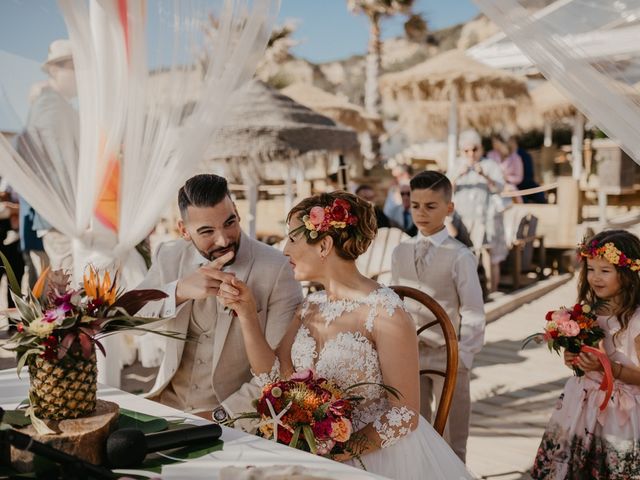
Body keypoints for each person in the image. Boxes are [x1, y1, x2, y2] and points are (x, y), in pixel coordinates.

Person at [216, 191, 474, 479]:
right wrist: (247, 314)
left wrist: (333, 454)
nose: (284, 250)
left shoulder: (386, 312)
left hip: (375, 454)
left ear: (324, 245)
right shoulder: (310, 305)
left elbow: (404, 415)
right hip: (312, 448)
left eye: (291, 239)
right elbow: (275, 378)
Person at [137, 174, 303, 423]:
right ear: (184, 230)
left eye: (230, 223)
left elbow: (279, 370)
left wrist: (221, 415)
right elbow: (127, 321)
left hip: (229, 417)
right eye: (207, 231)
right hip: (165, 405)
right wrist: (179, 291)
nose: (224, 239)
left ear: (236, 211)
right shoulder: (169, 256)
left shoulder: (277, 269)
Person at [391, 171, 485, 463]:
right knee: (414, 427)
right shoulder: (400, 251)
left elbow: (472, 311)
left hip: (449, 354)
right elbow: (397, 302)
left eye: (431, 206)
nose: (421, 212)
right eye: (416, 205)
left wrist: (463, 357)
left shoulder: (460, 256)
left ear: (449, 209)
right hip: (411, 355)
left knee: (453, 433)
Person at [531, 229, 640, 479]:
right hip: (581, 404)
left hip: (621, 415)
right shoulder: (587, 313)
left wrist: (606, 367)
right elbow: (585, 355)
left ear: (628, 273)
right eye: (591, 269)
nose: (595, 278)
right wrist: (575, 361)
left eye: (605, 271)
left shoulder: (636, 322)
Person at [15, 39, 78, 272]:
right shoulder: (50, 105)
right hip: (62, 214)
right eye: (73, 68)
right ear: (54, 70)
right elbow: (53, 163)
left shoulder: (57, 104)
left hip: (63, 213)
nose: (79, 76)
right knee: (72, 284)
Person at [452, 129, 508, 292]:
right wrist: (457, 175)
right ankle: (466, 292)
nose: (471, 153)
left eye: (474, 149)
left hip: (485, 218)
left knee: (488, 256)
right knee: (463, 257)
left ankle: (492, 291)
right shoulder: (457, 165)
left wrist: (485, 175)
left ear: (481, 148)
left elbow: (500, 188)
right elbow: (444, 189)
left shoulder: (489, 165)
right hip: (461, 218)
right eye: (466, 150)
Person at [487, 132, 524, 203]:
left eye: (495, 142)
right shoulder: (490, 155)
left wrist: (506, 178)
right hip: (493, 187)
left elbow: (519, 178)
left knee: (510, 191)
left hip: (510, 190)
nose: (493, 144)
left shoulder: (516, 158)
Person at [510, 135, 546, 204]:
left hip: (524, 184)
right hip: (514, 187)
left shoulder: (523, 154)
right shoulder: (505, 155)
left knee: (539, 194)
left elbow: (529, 175)